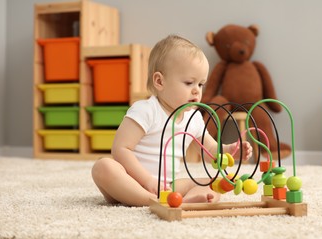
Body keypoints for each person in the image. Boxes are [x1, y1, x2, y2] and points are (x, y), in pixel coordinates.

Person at [91, 35, 252, 206]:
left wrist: (230, 150)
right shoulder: (146, 110)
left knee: (217, 182)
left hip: (167, 187)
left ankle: (183, 201)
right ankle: (151, 201)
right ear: (160, 81)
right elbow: (120, 149)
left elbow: (210, 150)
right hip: (130, 182)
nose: (197, 91)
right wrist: (147, 181)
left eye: (201, 84)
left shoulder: (194, 117)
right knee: (103, 167)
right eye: (190, 82)